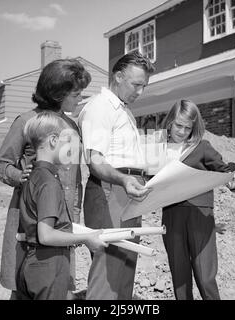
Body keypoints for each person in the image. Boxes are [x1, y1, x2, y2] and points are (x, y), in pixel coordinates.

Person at [0, 59, 91, 299]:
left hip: (61, 221)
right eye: (76, 94)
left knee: (58, 285)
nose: (80, 99)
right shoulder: (27, 121)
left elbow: (74, 180)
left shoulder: (71, 127)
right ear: (58, 93)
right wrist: (18, 175)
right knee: (25, 285)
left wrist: (74, 218)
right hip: (31, 221)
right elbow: (0, 165)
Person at [78, 51, 155, 300]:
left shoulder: (124, 111)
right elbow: (96, 161)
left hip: (129, 191)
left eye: (144, 86)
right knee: (109, 269)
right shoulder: (100, 107)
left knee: (125, 265)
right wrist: (123, 180)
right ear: (118, 76)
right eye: (136, 84)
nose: (140, 92)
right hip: (111, 190)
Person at [16, 112, 107, 300]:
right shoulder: (49, 183)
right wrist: (87, 238)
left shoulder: (32, 175)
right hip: (49, 265)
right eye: (67, 143)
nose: (70, 149)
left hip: (30, 262)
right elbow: (46, 234)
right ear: (53, 140)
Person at [160, 99, 235, 300]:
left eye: (188, 128)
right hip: (171, 214)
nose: (182, 131)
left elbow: (224, 170)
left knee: (205, 276)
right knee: (179, 275)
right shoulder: (157, 149)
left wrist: (233, 181)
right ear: (170, 121)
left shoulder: (202, 147)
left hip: (200, 214)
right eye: (178, 125)